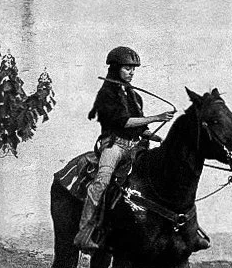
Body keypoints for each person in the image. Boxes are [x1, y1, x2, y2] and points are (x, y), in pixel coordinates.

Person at [74, 45, 174, 251]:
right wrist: (156, 117)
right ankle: (83, 234)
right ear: (115, 68)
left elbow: (140, 128)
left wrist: (156, 137)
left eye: (133, 69)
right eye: (127, 68)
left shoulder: (134, 96)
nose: (131, 72)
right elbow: (123, 122)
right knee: (101, 183)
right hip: (113, 146)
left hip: (134, 148)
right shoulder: (106, 94)